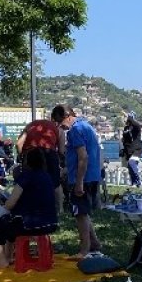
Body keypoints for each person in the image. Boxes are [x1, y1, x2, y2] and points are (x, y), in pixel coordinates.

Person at [0, 148, 60, 269]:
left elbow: (10, 204)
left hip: (29, 224)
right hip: (51, 223)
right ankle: (9, 256)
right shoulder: (47, 177)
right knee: (10, 223)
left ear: (27, 161)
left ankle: (3, 259)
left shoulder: (26, 177)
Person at [54, 104, 103, 258]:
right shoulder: (86, 126)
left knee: (80, 215)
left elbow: (83, 157)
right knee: (84, 212)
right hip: (93, 176)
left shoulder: (75, 130)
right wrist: (67, 169)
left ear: (67, 117)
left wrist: (79, 182)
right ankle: (94, 243)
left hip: (82, 179)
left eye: (59, 122)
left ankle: (84, 249)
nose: (59, 126)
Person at [120, 112, 142, 186]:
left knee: (132, 162)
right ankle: (134, 182)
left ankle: (138, 180)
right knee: (129, 167)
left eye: (126, 118)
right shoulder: (126, 128)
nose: (125, 120)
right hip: (128, 150)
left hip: (137, 149)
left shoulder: (136, 127)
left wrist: (128, 116)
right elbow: (125, 139)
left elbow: (135, 123)